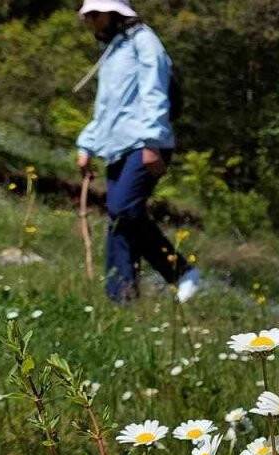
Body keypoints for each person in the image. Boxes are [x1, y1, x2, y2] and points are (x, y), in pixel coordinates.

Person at [75, 0, 199, 304]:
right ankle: (121, 299)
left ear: (115, 13)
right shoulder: (115, 49)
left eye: (95, 14)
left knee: (123, 209)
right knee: (119, 221)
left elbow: (154, 92)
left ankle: (180, 270)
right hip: (117, 147)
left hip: (144, 144)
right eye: (87, 15)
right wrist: (87, 144)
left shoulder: (144, 41)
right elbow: (107, 106)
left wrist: (152, 142)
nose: (90, 21)